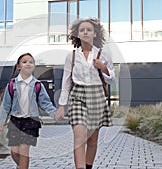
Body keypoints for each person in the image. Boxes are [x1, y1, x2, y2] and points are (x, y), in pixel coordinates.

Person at [55, 18, 115, 169]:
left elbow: (111, 79)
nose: (85, 32)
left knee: (92, 141)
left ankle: (88, 166)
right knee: (79, 138)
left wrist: (103, 68)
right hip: (78, 96)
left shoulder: (103, 54)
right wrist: (62, 105)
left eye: (89, 30)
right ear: (77, 34)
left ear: (95, 34)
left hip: (97, 96)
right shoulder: (72, 56)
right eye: (82, 30)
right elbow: (66, 82)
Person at [0, 53, 57, 169]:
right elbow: (5, 105)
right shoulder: (12, 85)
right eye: (24, 62)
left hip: (31, 121)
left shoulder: (38, 85)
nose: (28, 64)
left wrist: (55, 113)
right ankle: (21, 166)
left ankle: (23, 166)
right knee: (14, 152)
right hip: (15, 121)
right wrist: (0, 121)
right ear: (18, 66)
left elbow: (46, 103)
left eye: (31, 62)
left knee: (24, 152)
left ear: (34, 66)